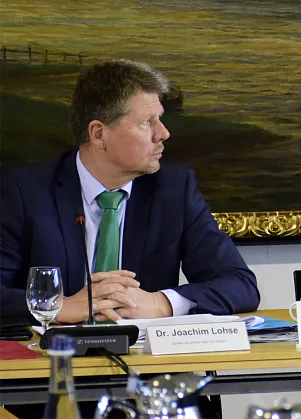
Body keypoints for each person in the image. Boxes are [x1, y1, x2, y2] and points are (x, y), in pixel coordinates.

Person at [1, 60, 260, 326]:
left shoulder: (174, 189)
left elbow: (240, 285)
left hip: (149, 363)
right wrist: (59, 306)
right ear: (99, 133)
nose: (164, 133)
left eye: (160, 119)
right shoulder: (24, 192)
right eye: (147, 122)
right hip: (54, 359)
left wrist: (160, 303)